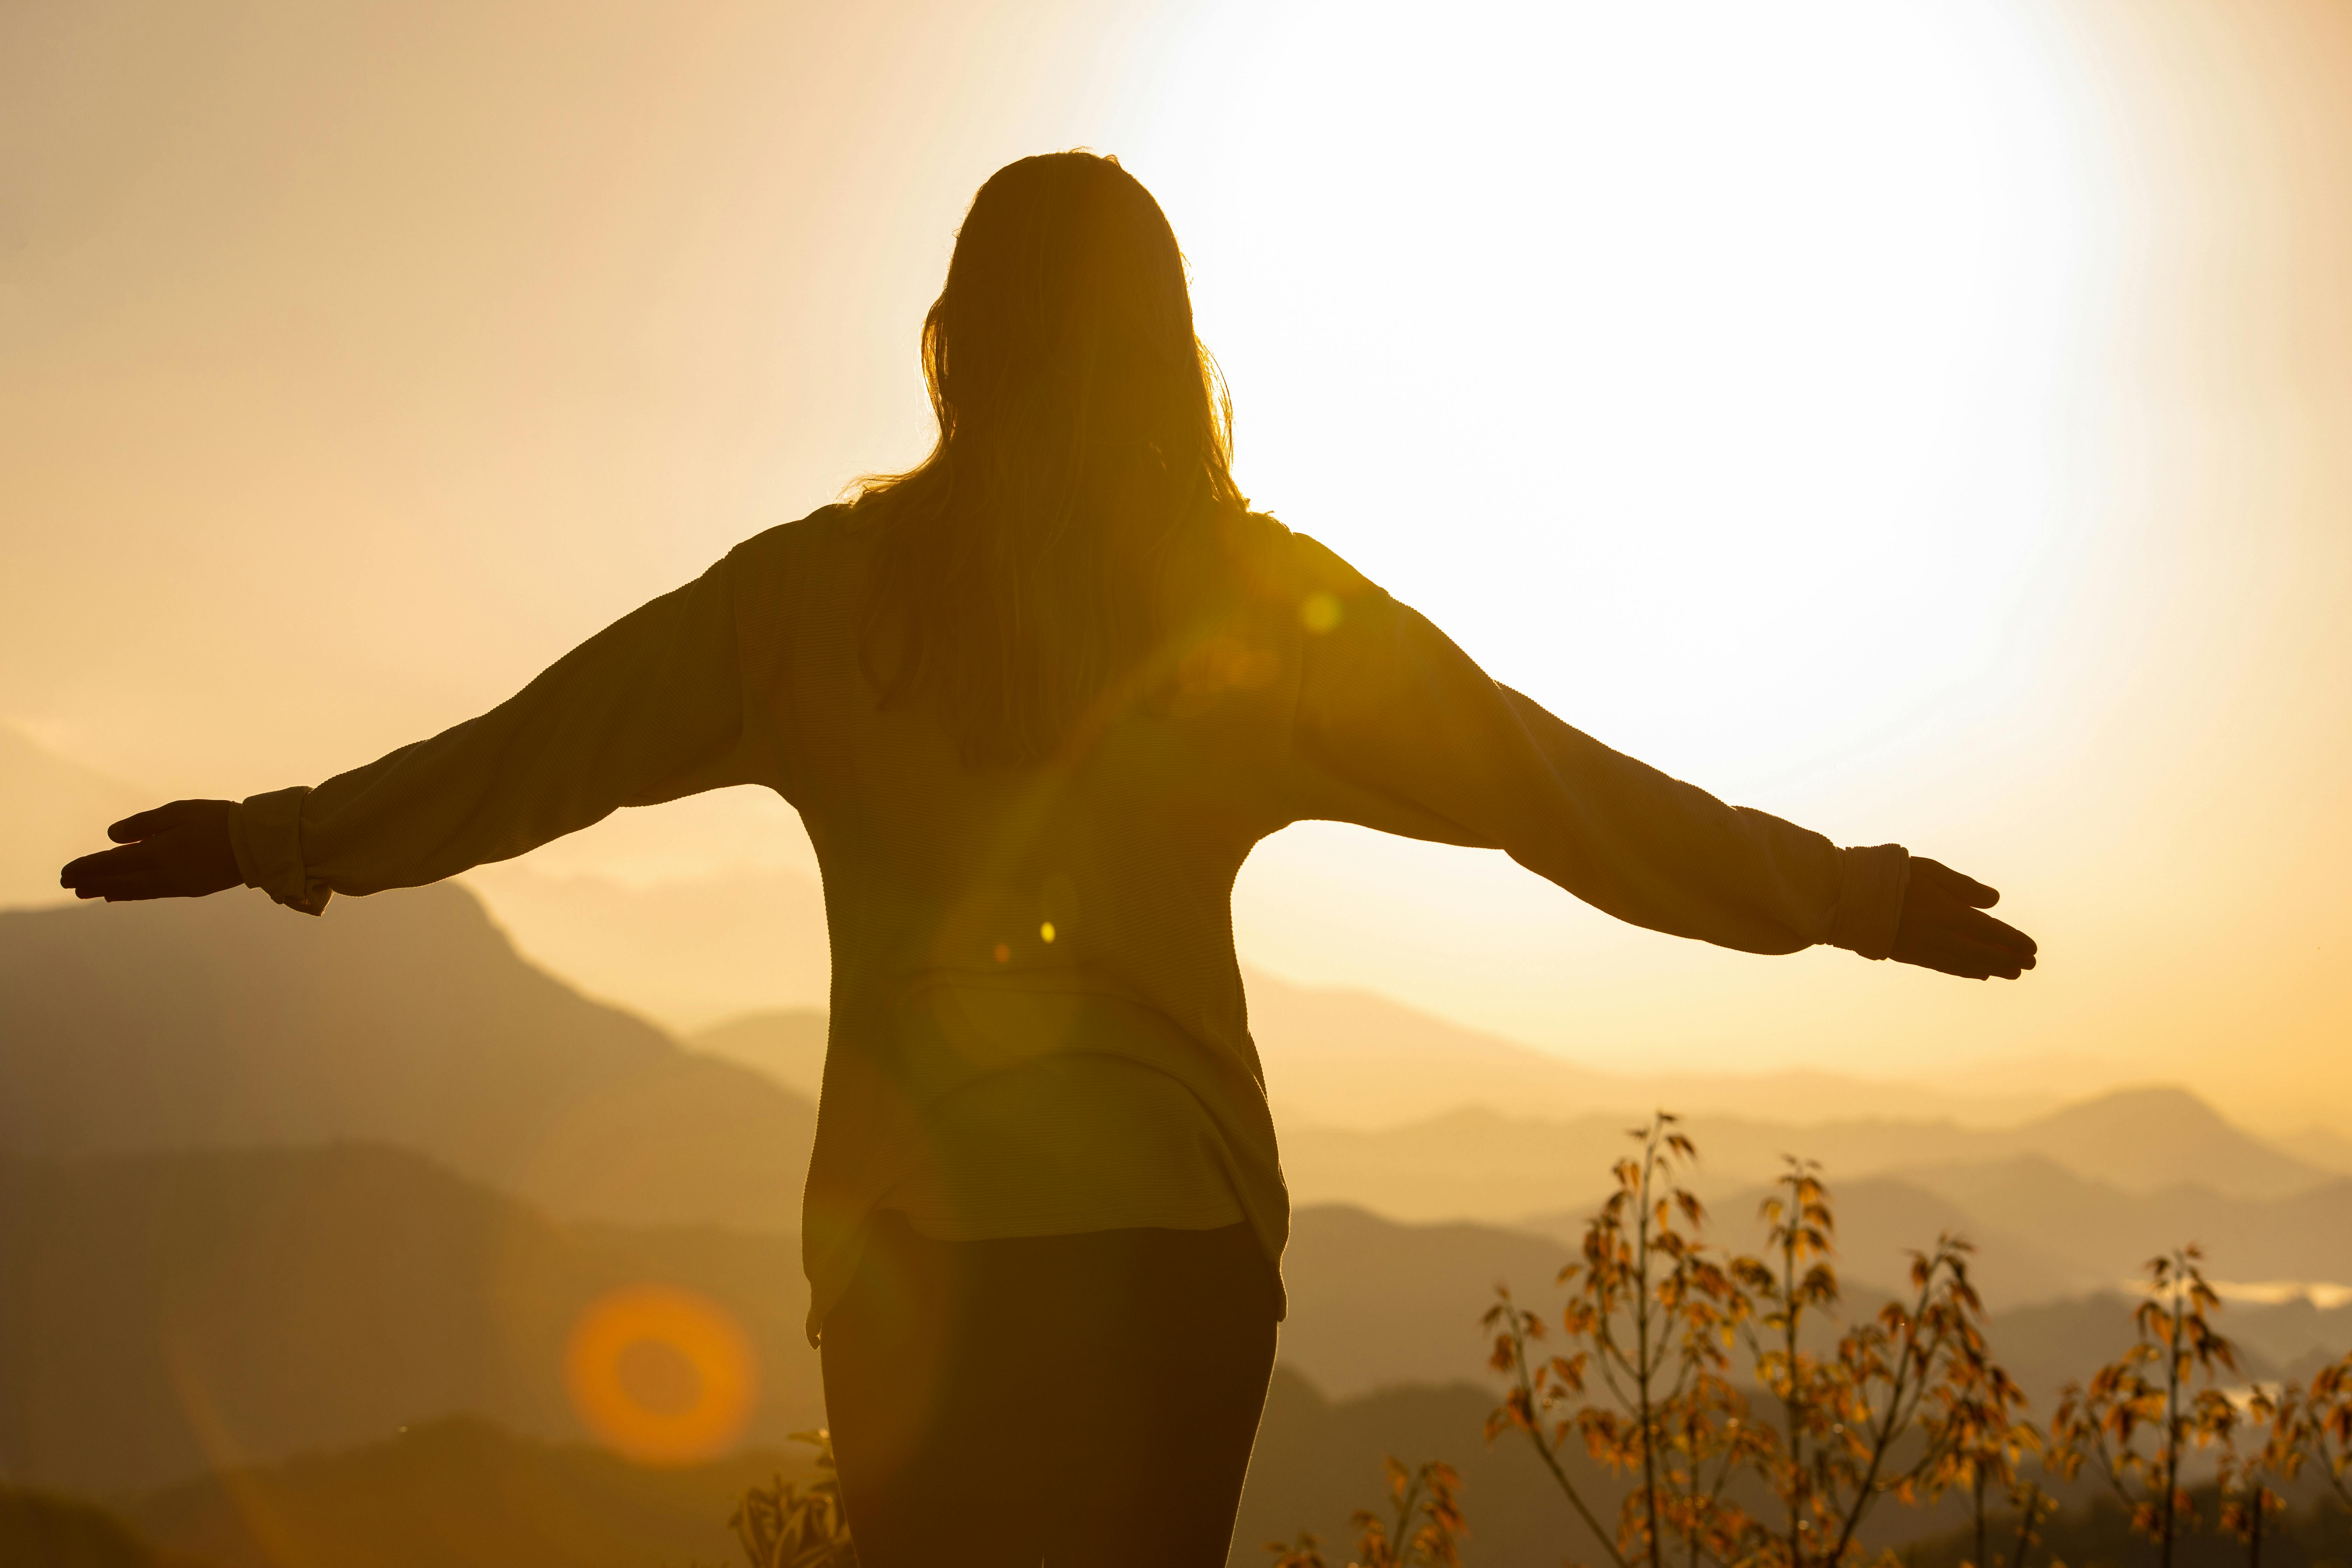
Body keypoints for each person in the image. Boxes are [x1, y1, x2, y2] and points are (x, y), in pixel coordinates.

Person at [60, 150, 2037, 1564]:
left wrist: (276, 841)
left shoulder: (812, 610)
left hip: (920, 1259)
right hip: (1172, 1261)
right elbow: (1558, 792)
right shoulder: (1252, 615)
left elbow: (530, 760)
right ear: (1167, 348)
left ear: (956, 344)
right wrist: (1845, 897)